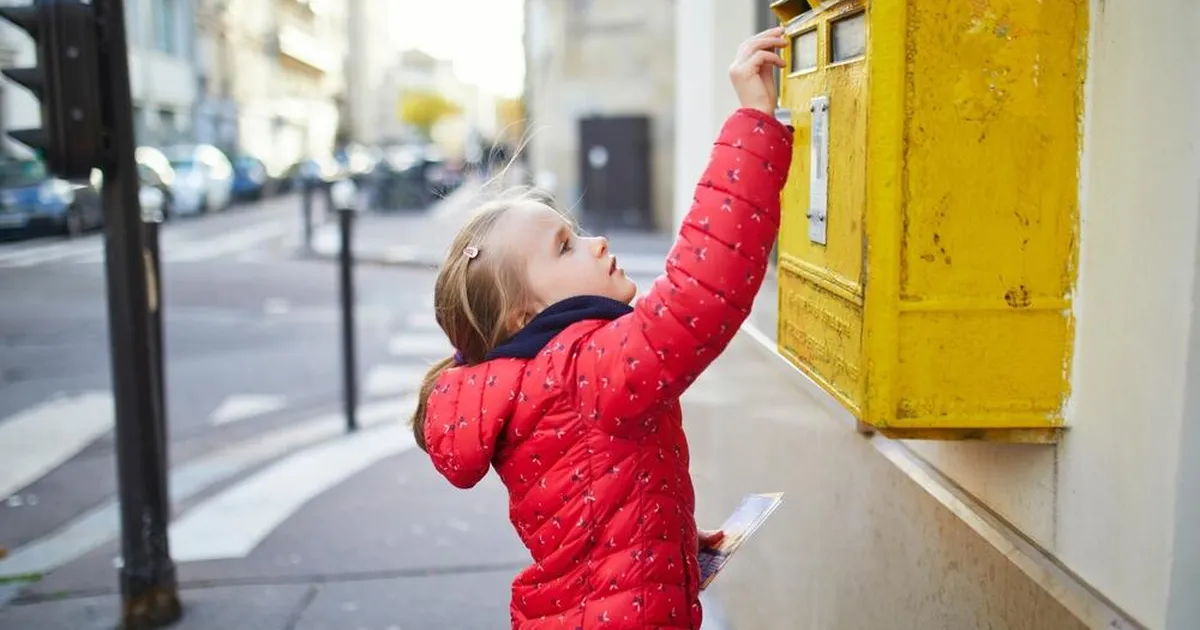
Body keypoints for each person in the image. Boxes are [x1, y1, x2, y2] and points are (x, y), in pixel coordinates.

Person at [411, 27, 793, 629]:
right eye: (566, 247)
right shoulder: (583, 370)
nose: (597, 243)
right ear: (521, 317)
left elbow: (587, 500)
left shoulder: (538, 382)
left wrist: (658, 531)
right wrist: (754, 121)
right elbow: (701, 291)